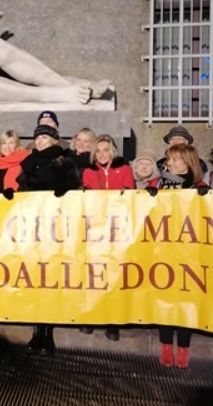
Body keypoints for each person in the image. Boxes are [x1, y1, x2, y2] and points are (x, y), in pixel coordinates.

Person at [15, 124, 82, 355]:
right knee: (34, 280)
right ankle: (37, 332)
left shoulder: (64, 162)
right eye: (37, 138)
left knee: (51, 280)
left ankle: (48, 333)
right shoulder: (28, 163)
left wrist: (63, 191)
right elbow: (22, 190)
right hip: (32, 227)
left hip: (55, 229)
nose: (40, 141)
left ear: (54, 140)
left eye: (44, 137)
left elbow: (73, 190)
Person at [146, 144, 209, 369]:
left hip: (189, 254)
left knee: (185, 301)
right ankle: (165, 345)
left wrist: (207, 199)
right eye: (168, 160)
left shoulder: (199, 186)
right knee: (165, 299)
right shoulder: (157, 184)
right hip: (162, 251)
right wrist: (147, 197)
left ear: (187, 164)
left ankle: (183, 347)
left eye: (174, 160)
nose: (168, 163)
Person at [80, 135, 134, 341]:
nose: (102, 154)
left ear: (113, 151)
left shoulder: (125, 170)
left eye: (106, 149)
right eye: (99, 150)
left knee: (114, 274)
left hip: (117, 229)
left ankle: (112, 321)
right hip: (95, 228)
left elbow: (130, 195)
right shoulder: (88, 172)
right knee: (93, 274)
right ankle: (92, 317)